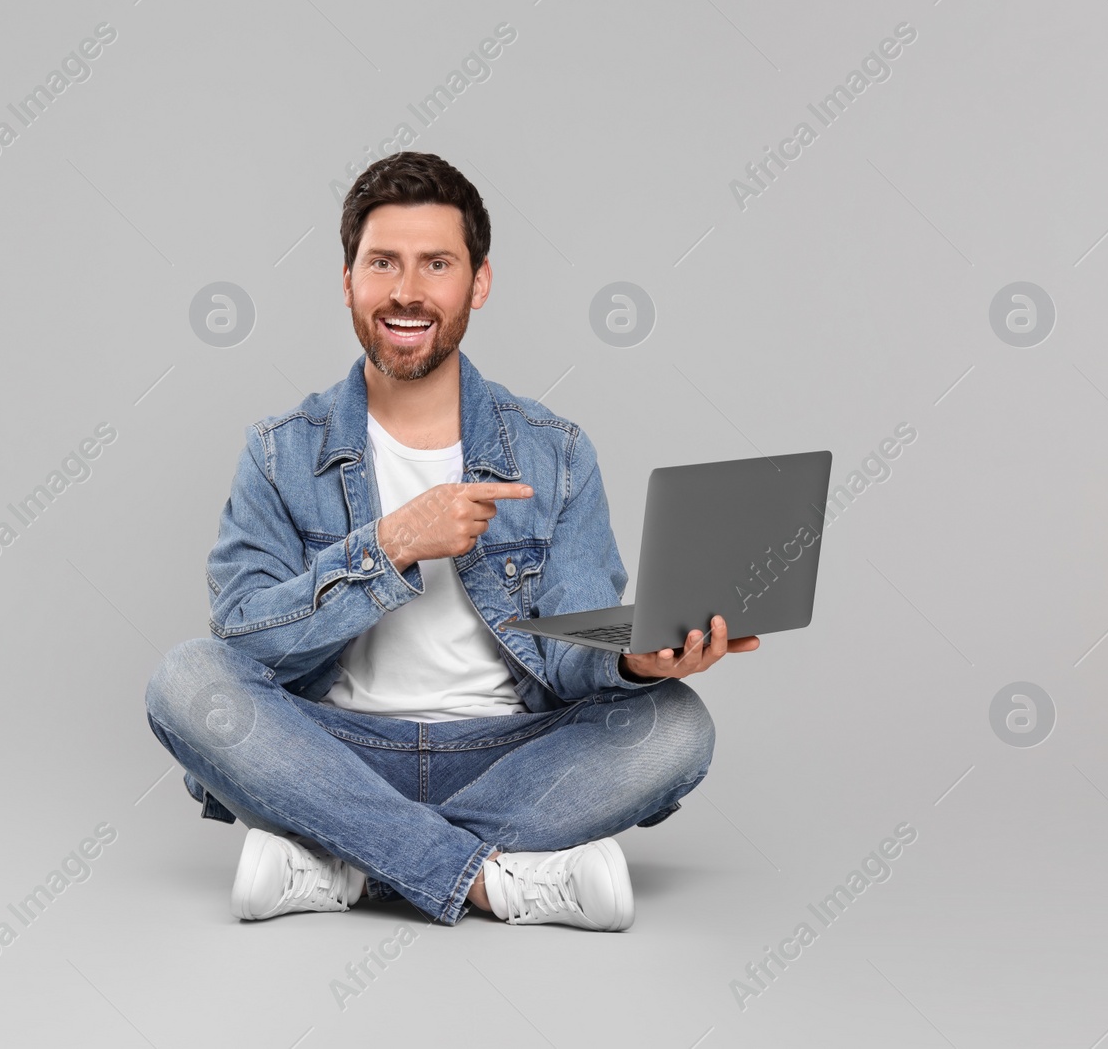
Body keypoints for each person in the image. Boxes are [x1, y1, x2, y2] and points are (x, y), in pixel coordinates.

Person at [145, 151, 758, 931]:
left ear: (479, 282)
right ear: (347, 283)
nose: (407, 291)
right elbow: (245, 643)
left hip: (511, 752)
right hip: (335, 750)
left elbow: (573, 660)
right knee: (186, 680)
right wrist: (392, 543)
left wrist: (634, 661)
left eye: (437, 263)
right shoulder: (279, 450)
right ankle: (494, 879)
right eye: (382, 264)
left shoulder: (556, 452)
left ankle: (346, 865)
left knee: (676, 725)